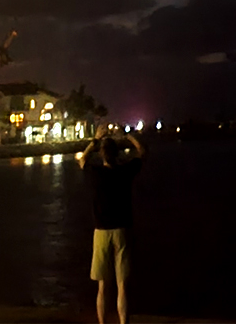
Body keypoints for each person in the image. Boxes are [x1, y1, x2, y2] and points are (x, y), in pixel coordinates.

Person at [78, 123, 146, 324]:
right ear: (117, 154)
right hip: (122, 230)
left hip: (101, 231)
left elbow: (82, 159)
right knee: (122, 286)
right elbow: (142, 152)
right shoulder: (125, 171)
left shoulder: (96, 174)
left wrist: (95, 140)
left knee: (102, 286)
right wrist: (128, 136)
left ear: (102, 155)